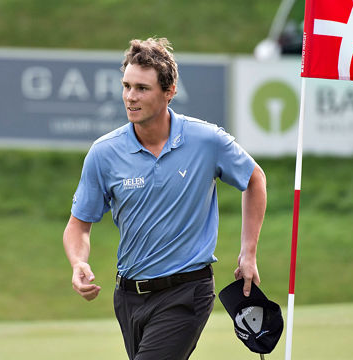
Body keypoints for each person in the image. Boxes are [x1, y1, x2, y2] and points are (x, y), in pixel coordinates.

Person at [63, 37, 267, 360]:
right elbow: (78, 226)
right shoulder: (104, 153)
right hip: (128, 297)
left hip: (187, 292)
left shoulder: (206, 140)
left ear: (169, 92)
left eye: (142, 88)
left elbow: (254, 178)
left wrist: (248, 253)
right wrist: (78, 262)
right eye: (126, 86)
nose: (130, 97)